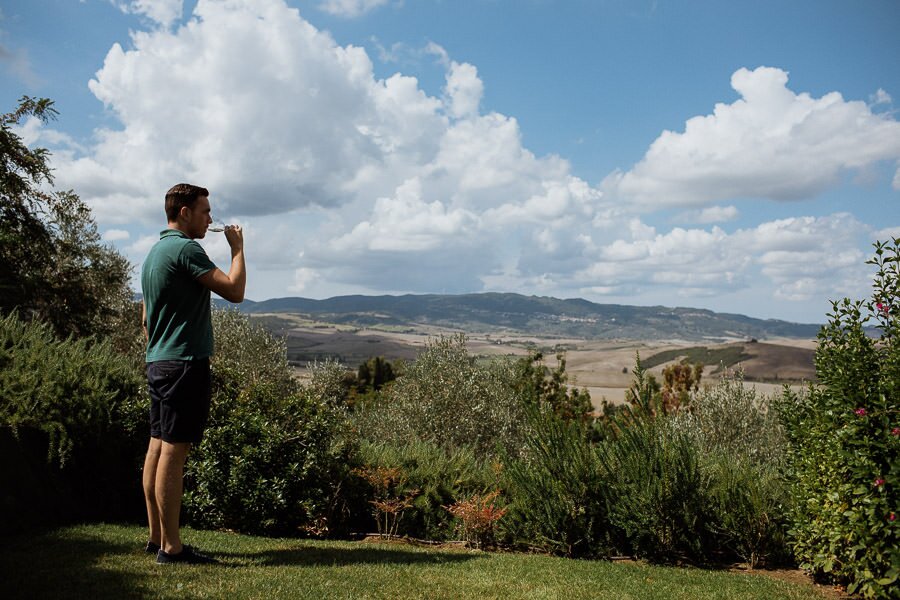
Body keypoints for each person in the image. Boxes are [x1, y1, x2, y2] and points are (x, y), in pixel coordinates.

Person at [140, 183, 246, 564]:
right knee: (174, 451)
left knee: (157, 445)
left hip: (159, 361)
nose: (210, 219)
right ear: (184, 212)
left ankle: (157, 538)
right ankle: (171, 548)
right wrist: (237, 250)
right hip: (183, 364)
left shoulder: (155, 252)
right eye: (205, 211)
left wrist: (162, 347)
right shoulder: (186, 249)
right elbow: (234, 291)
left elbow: (146, 318)